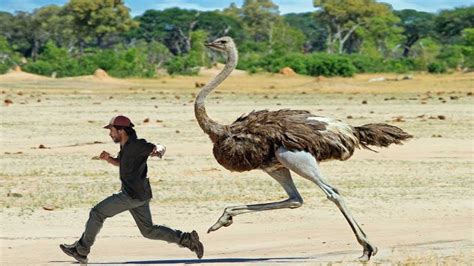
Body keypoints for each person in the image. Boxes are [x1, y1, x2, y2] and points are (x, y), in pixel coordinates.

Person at [60, 115, 204, 264]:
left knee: (97, 213)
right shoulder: (125, 145)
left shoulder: (137, 145)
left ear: (121, 130)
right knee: (148, 230)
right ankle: (187, 239)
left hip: (131, 196)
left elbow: (158, 147)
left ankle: (81, 251)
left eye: (112, 130)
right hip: (140, 195)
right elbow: (122, 162)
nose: (110, 134)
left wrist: (158, 151)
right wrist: (109, 159)